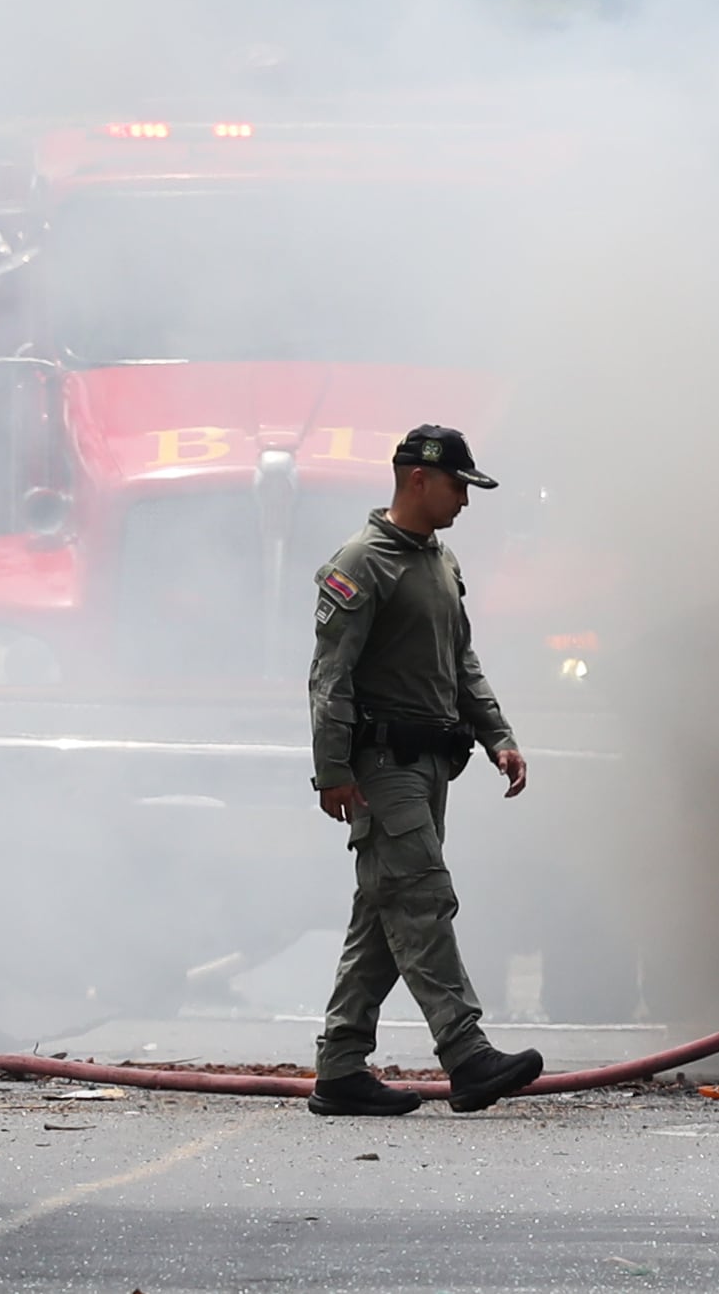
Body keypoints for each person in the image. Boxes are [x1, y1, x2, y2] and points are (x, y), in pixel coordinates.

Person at [304, 424, 541, 1118]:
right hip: (382, 767)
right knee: (420, 897)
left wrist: (497, 733)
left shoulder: (440, 562)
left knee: (384, 913)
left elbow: (460, 661)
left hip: (434, 764)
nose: (465, 499)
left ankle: (340, 1067)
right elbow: (329, 676)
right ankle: (465, 1051)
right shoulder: (361, 561)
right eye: (457, 485)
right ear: (417, 478)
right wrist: (331, 770)